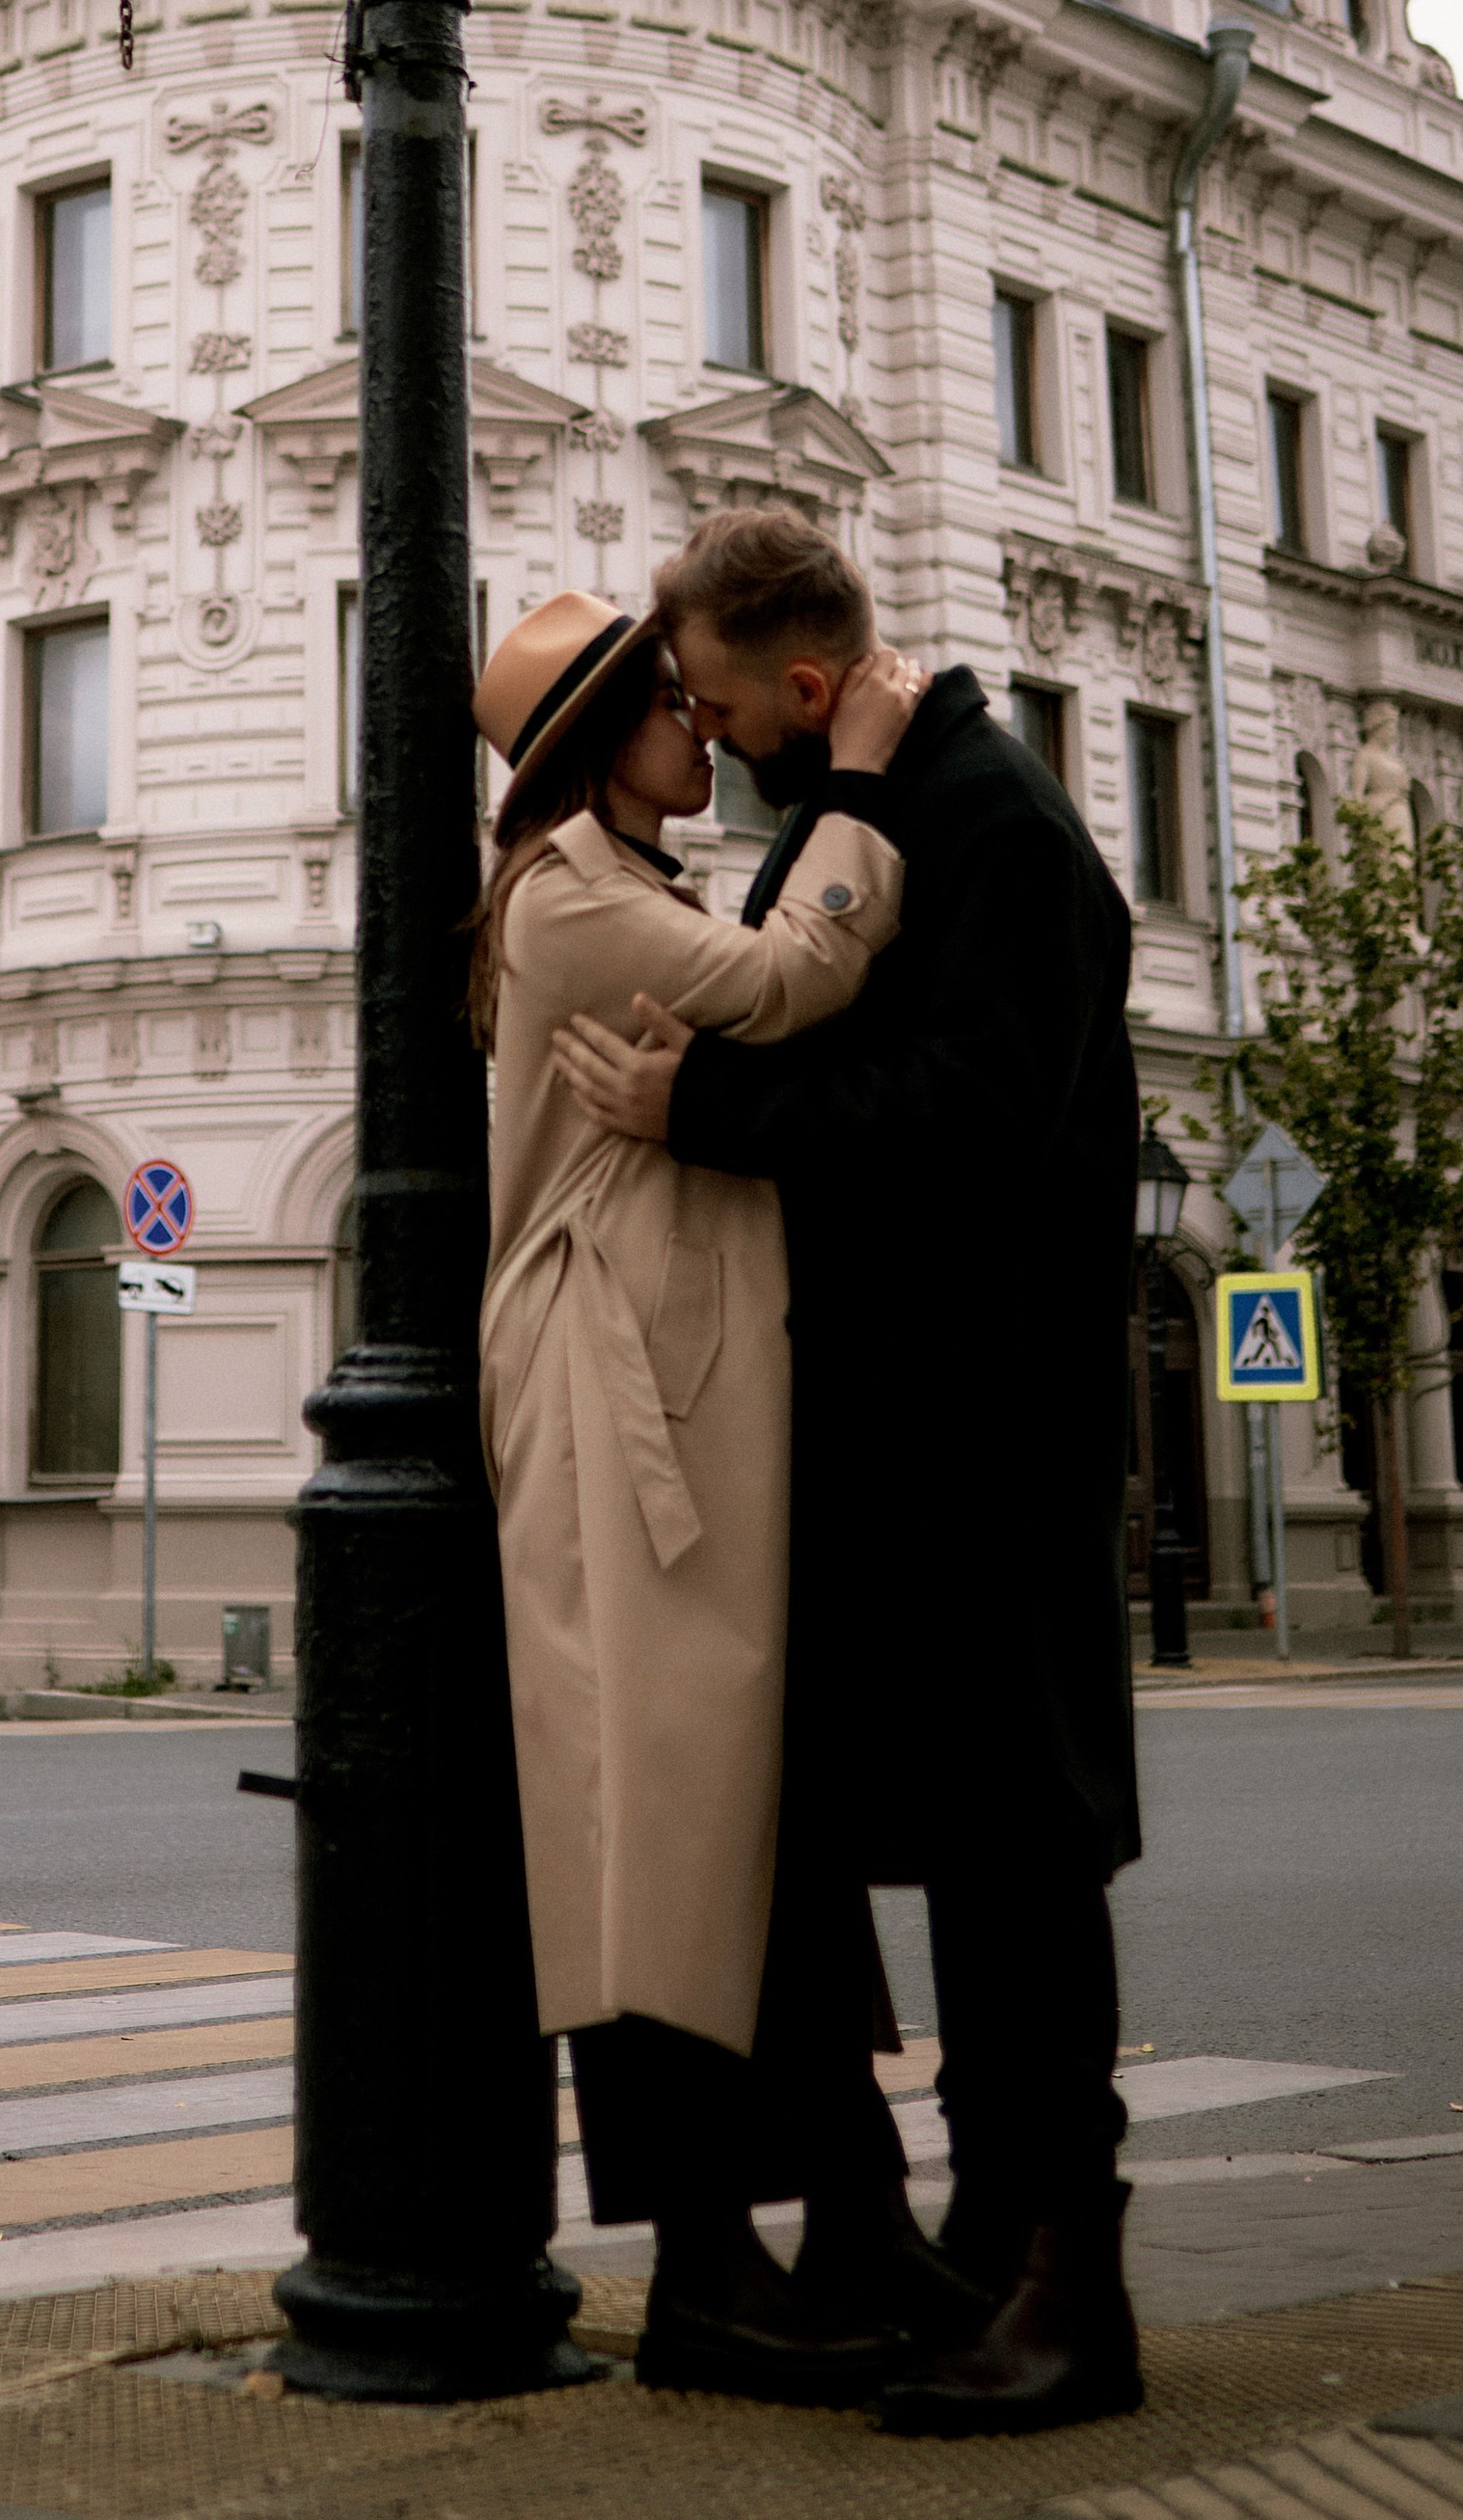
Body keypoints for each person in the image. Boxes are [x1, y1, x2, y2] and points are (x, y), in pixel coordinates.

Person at [554, 507, 1145, 2436]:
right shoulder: (911, 806)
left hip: (985, 1429)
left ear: (806, 691)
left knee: (1011, 1861)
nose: (706, 741)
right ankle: (969, 2246)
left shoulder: (995, 831)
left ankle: (1070, 2289)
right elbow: (816, 966)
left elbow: (963, 1114)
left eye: (721, 707)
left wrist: (700, 1109)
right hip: (900, 1425)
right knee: (948, 1849)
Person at [469, 586, 953, 2401]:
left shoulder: (625, 885)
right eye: (670, 704)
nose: (699, 724)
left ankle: (845, 2217)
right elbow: (792, 978)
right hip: (613, 1406)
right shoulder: (576, 899)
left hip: (664, 1388)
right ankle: (701, 2275)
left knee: (733, 1816)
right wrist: (868, 784)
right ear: (607, 739)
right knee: (653, 1826)